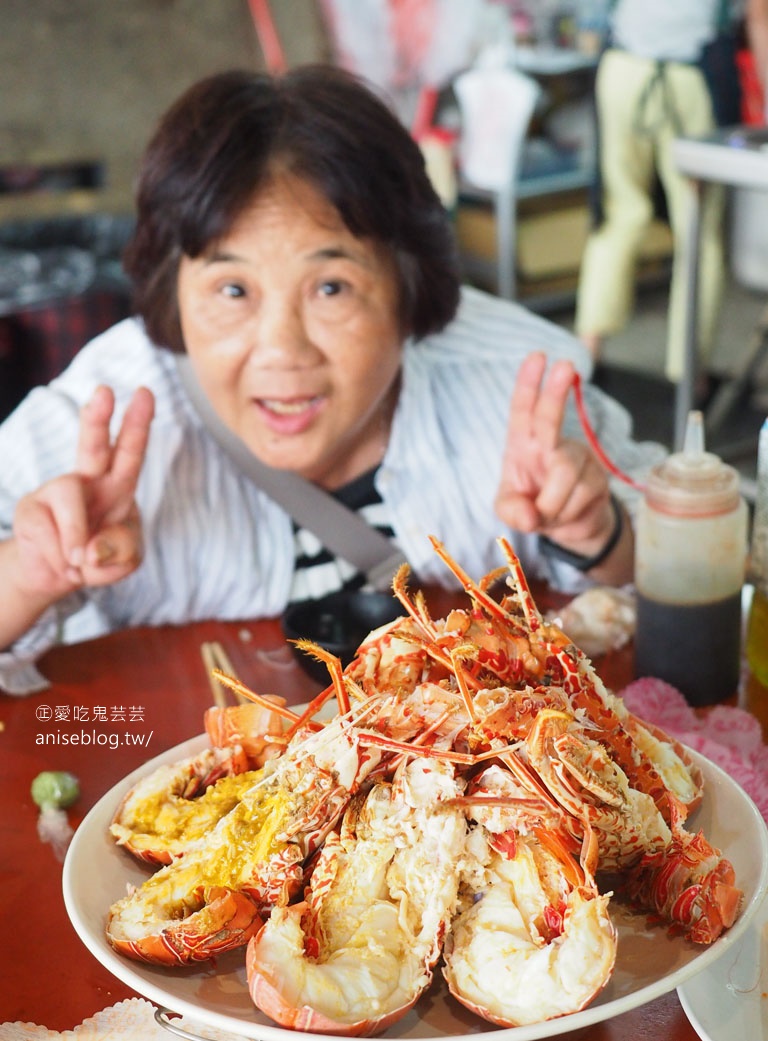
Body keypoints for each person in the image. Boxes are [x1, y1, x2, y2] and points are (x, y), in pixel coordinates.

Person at [0, 65, 664, 695]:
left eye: (331, 286)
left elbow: (684, 571)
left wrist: (599, 534)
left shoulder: (522, 385)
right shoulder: (103, 422)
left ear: (409, 286)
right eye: (233, 288)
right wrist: (32, 572)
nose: (282, 350)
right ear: (171, 289)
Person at [575, 0, 768, 386]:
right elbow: (759, 17)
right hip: (689, 80)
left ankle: (586, 350)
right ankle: (688, 371)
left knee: (620, 214)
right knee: (697, 227)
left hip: (623, 72)